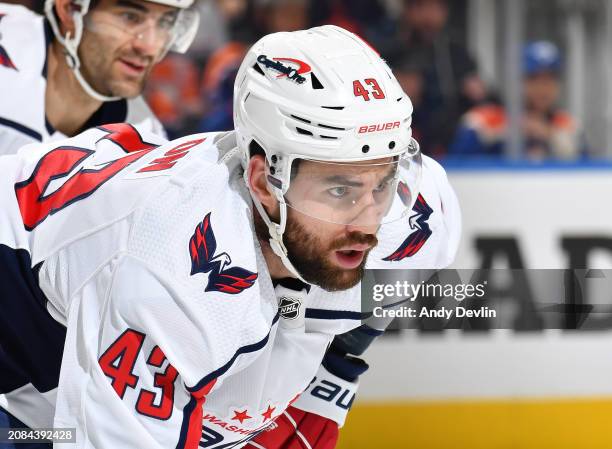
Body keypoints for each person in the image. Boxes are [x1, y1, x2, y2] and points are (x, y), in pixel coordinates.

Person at [0, 25, 460, 448]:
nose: (366, 221)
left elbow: (366, 308)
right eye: (338, 189)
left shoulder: (416, 216)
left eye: (380, 183)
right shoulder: (168, 271)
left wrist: (327, 389)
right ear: (262, 180)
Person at [0, 0, 200, 155]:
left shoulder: (144, 136)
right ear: (70, 9)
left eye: (165, 22)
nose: (150, 47)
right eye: (130, 17)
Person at [383, 0, 487, 157]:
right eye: (421, 6)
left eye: (437, 8)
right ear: (407, 10)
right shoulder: (388, 49)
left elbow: (481, 99)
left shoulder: (455, 53)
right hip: (396, 141)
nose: (429, 16)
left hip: (449, 145)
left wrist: (477, 96)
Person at [450, 41, 587, 159]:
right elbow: (459, 172)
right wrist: (508, 134)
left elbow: (587, 176)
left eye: (550, 79)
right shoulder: (482, 122)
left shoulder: (569, 126)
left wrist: (551, 137)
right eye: (533, 79)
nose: (543, 88)